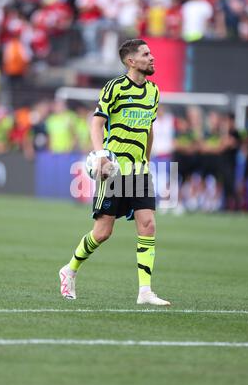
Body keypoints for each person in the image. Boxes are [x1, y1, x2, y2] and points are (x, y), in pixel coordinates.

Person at [59, 39, 170, 306]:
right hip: (115, 170)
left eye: (151, 52)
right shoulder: (115, 88)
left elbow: (149, 129)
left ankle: (145, 291)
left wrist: (147, 159)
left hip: (139, 170)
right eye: (146, 54)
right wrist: (100, 155)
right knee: (103, 231)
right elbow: (96, 123)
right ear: (131, 61)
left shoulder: (154, 91)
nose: (152, 57)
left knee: (148, 224)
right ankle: (69, 269)